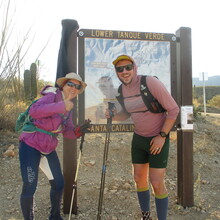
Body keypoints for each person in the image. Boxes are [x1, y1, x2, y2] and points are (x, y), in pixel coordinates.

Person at [106, 55, 179, 220]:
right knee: (139, 178)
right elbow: (125, 115)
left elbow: (173, 109)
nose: (124, 71)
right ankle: (145, 216)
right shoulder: (121, 90)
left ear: (134, 67)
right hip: (139, 139)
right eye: (119, 69)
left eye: (128, 67)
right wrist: (112, 115)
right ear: (116, 72)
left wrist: (162, 136)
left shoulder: (150, 82)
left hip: (157, 139)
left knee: (156, 182)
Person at [18, 72, 89, 220]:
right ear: (63, 85)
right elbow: (35, 111)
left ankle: (55, 216)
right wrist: (61, 106)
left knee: (59, 183)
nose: (73, 88)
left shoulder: (69, 108)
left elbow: (67, 131)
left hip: (48, 148)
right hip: (30, 144)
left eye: (77, 86)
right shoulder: (51, 97)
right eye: (70, 84)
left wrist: (77, 132)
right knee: (30, 185)